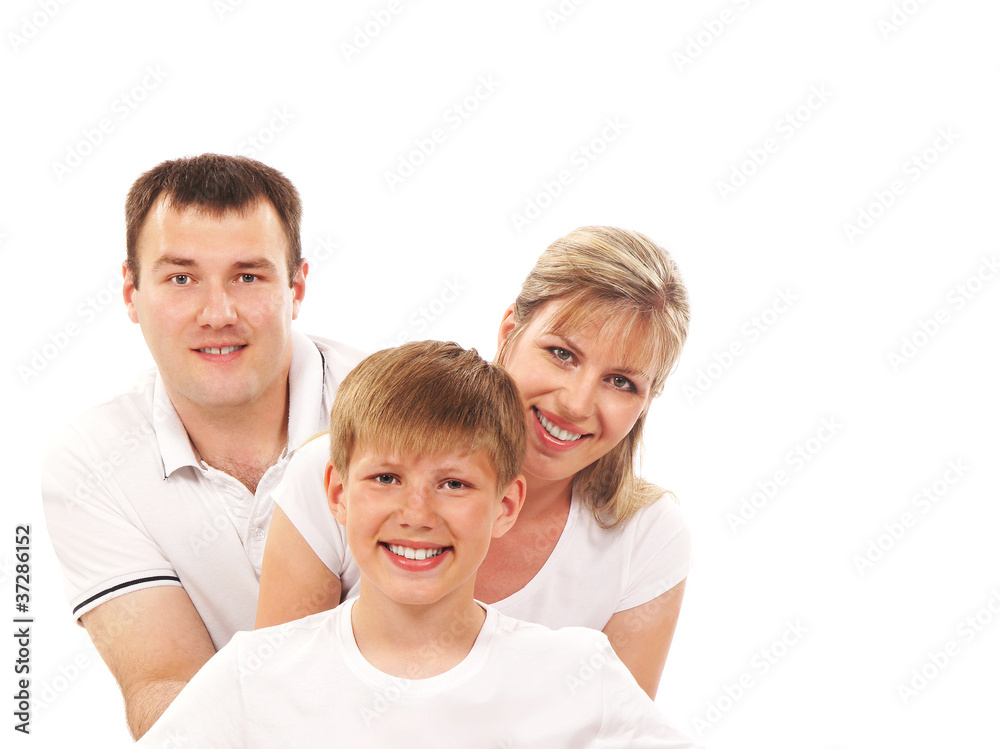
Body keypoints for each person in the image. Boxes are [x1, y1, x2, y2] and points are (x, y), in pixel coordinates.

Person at [138, 341, 700, 748]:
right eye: (386, 479)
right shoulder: (253, 674)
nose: (416, 514)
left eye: (453, 484)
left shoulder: (576, 672)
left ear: (504, 506)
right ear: (337, 492)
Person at [257, 226, 692, 698]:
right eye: (562, 354)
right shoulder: (344, 471)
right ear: (510, 333)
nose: (577, 403)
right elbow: (279, 702)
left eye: (621, 382)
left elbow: (615, 735)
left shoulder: (647, 538)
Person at [41, 154, 363, 738]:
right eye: (181, 278)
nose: (218, 314)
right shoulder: (91, 462)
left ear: (297, 288)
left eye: (248, 275)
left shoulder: (397, 411)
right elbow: (161, 685)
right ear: (131, 293)